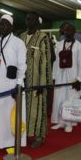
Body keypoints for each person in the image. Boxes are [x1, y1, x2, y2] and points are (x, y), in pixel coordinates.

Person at [0, 14, 27, 149]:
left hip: (11, 84)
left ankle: (10, 142)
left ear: (11, 26)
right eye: (0, 24)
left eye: (4, 24)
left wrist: (19, 84)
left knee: (9, 112)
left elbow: (22, 65)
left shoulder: (18, 43)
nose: (1, 27)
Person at [19, 12, 52, 148]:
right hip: (22, 81)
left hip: (37, 81)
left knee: (38, 108)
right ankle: (23, 134)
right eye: (27, 19)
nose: (29, 22)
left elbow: (47, 61)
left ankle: (39, 136)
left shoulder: (43, 38)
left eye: (31, 19)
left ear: (37, 22)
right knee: (23, 109)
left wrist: (44, 84)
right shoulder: (21, 36)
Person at [52, 23, 81, 133]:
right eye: (65, 30)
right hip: (60, 76)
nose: (67, 32)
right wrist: (54, 76)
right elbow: (56, 62)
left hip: (73, 76)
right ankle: (60, 121)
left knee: (70, 99)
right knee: (59, 98)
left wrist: (79, 79)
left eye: (69, 30)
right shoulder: (59, 44)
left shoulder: (80, 46)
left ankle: (69, 123)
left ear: (74, 32)